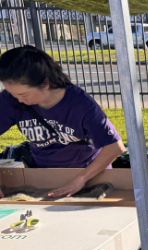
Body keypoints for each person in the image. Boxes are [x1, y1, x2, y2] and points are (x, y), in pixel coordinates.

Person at [0, 45, 125, 198]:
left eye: (24, 95)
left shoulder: (80, 103)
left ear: (45, 84)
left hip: (91, 177)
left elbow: (114, 146)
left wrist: (80, 180)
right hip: (44, 178)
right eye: (13, 94)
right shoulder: (10, 99)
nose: (18, 100)